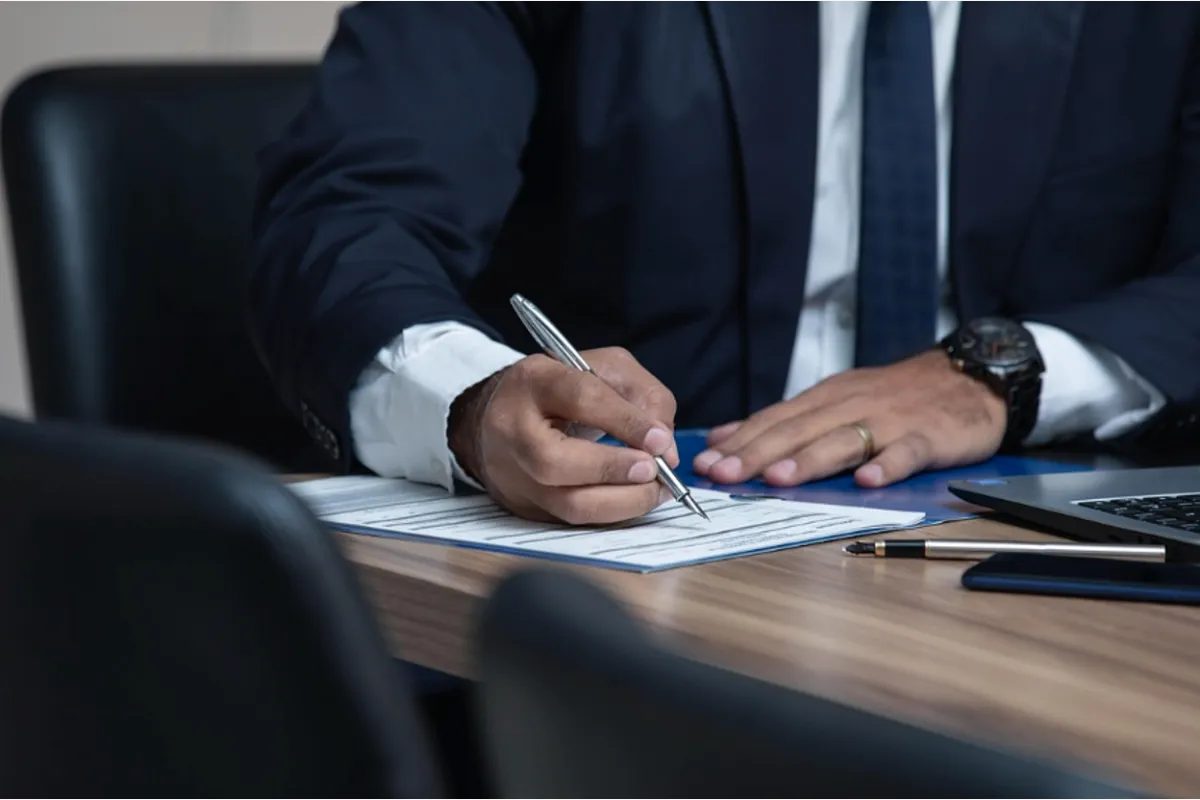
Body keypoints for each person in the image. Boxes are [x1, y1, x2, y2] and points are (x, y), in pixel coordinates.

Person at [247, 2, 1200, 793]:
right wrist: (471, 402)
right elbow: (347, 220)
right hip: (634, 599)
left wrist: (1007, 369)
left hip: (1033, 598)